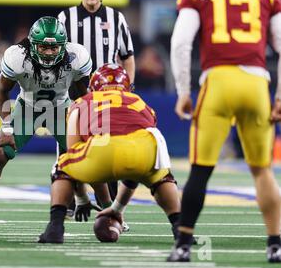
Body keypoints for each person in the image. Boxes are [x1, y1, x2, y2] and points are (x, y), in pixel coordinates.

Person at [167, 0, 281, 263]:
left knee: (201, 170)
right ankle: (275, 243)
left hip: (217, 83)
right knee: (262, 170)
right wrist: (279, 96)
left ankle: (183, 245)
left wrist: (183, 91)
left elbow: (181, 44)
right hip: (257, 86)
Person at [0, 16, 92, 230]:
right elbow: (1, 91)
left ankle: (110, 211)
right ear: (32, 45)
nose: (49, 53)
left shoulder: (76, 56)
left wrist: (86, 121)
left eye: (54, 48)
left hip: (61, 108)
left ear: (63, 46)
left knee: (86, 154)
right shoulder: (17, 57)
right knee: (1, 154)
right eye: (43, 47)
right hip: (28, 108)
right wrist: (7, 126)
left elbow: (82, 92)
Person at [38, 63, 182, 243]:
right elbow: (133, 174)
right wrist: (117, 209)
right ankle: (181, 229)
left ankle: (55, 228)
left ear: (93, 87)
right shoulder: (140, 103)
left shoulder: (82, 102)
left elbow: (73, 152)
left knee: (61, 167)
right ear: (128, 87)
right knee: (161, 178)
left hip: (103, 147)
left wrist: (82, 198)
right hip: (145, 146)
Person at [58, 0, 136, 204]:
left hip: (108, 95)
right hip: (74, 92)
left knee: (108, 148)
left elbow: (128, 57)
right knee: (68, 146)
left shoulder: (116, 18)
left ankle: (110, 205)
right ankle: (68, 202)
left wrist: (128, 89)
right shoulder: (66, 17)